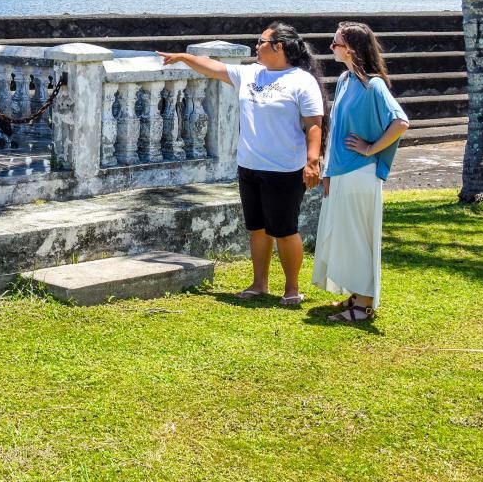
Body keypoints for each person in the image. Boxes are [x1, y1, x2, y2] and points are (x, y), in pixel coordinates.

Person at [158, 22, 324, 306]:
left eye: (261, 41)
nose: (256, 46)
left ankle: (292, 288)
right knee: (256, 228)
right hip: (250, 166)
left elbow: (314, 125)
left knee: (284, 230)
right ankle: (259, 283)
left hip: (284, 169)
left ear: (279, 47)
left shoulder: (301, 80)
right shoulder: (250, 73)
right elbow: (212, 67)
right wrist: (184, 57)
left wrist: (312, 161)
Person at [313, 21, 408, 323]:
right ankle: (357, 293)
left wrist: (370, 148)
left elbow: (400, 122)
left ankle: (364, 304)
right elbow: (337, 128)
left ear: (350, 48)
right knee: (343, 234)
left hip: (361, 173)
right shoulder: (345, 79)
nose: (332, 48)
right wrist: (328, 170)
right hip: (341, 172)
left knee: (357, 238)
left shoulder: (373, 84)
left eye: (335, 43)